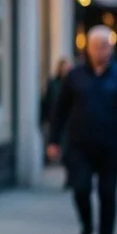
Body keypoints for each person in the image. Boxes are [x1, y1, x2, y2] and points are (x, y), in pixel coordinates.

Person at [46, 25, 117, 234]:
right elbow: (60, 110)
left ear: (111, 48)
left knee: (108, 194)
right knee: (81, 189)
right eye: (96, 46)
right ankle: (87, 227)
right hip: (79, 145)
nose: (101, 50)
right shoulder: (74, 76)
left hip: (110, 146)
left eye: (105, 46)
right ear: (87, 48)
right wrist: (54, 140)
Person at [41, 58, 73, 188]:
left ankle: (72, 176)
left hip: (73, 122)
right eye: (63, 68)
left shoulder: (75, 84)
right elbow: (46, 102)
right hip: (58, 121)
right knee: (64, 150)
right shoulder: (53, 83)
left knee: (71, 151)